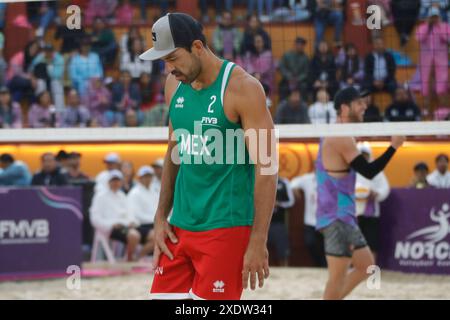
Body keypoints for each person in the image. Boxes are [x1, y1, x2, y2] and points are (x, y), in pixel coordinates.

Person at [139, 13, 277, 300]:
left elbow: (268, 168)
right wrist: (161, 216)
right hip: (180, 226)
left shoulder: (243, 88)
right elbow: (174, 151)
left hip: (225, 227)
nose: (169, 67)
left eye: (173, 58)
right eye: (163, 60)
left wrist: (258, 239)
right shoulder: (174, 85)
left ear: (198, 47)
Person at [316, 86, 405, 300]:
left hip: (343, 215)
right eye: (359, 103)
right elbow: (369, 171)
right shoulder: (340, 136)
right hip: (336, 216)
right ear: (345, 108)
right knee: (336, 278)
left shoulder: (342, 134)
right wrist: (394, 146)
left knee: (366, 266)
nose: (365, 106)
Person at [89, 169, 141, 262]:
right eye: (113, 180)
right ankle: (130, 259)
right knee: (134, 235)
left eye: (117, 180)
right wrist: (110, 225)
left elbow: (129, 213)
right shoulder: (100, 196)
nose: (115, 183)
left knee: (139, 233)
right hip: (109, 228)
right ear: (108, 182)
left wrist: (130, 222)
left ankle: (130, 258)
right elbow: (95, 218)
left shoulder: (122, 195)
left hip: (122, 227)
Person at [355, 142, 390, 260]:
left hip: (371, 213)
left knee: (372, 243)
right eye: (360, 155)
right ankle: (356, 268)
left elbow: (385, 188)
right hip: (353, 213)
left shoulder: (377, 171)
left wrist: (376, 194)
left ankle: (371, 271)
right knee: (355, 243)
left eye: (365, 154)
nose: (363, 157)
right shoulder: (351, 170)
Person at [416, 7, 450, 111]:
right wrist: (428, 26)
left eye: (435, 17)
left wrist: (438, 27)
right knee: (426, 83)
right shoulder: (422, 27)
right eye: (432, 17)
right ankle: (426, 109)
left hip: (441, 60)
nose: (434, 19)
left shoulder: (445, 27)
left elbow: (447, 39)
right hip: (426, 60)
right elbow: (419, 38)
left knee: (441, 84)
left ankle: (444, 110)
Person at [291, 169, 326, 267]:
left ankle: (324, 266)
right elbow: (293, 182)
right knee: (310, 243)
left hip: (326, 220)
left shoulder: (330, 179)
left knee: (327, 246)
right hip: (310, 220)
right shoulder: (307, 179)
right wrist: (294, 189)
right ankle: (318, 265)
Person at [127, 166, 160, 259]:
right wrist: (155, 219)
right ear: (140, 178)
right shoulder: (134, 193)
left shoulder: (155, 192)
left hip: (153, 223)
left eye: (149, 176)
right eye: (145, 176)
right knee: (158, 236)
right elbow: (136, 215)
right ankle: (139, 256)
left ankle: (140, 256)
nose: (147, 179)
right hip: (140, 225)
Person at [268, 176, 294, 266]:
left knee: (282, 249)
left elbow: (290, 202)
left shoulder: (284, 182)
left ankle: (284, 269)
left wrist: (279, 203)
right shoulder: (257, 179)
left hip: (278, 222)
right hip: (260, 223)